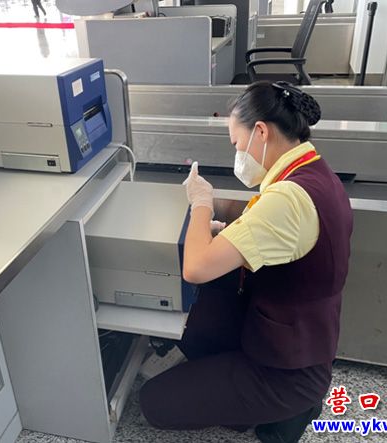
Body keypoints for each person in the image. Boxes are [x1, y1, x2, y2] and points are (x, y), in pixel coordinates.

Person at [139, 81, 353, 443]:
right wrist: (229, 232)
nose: (237, 153)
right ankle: (238, 397)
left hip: (287, 372)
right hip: (297, 338)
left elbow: (196, 268)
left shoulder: (288, 198)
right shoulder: (314, 172)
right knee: (198, 325)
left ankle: (278, 408)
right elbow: (286, 241)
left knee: (154, 403)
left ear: (261, 132)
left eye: (237, 144)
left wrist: (201, 202)